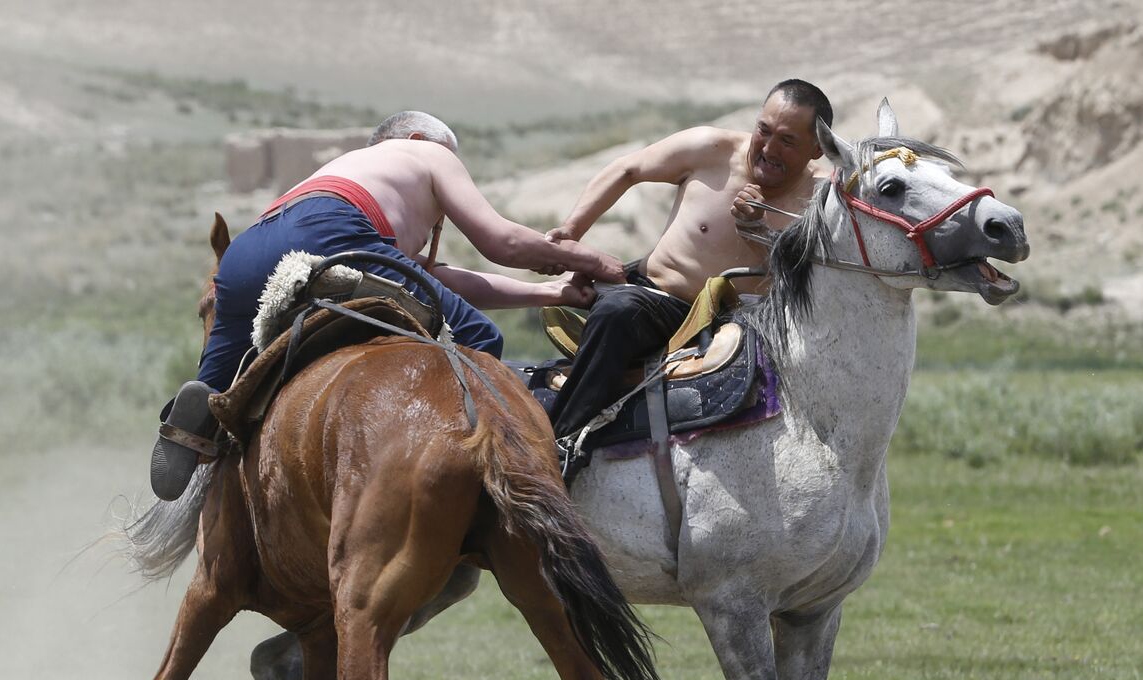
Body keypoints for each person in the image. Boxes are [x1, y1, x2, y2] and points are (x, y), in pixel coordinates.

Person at [149, 110, 624, 500]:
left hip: (250, 250)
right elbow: (502, 244)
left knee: (225, 382)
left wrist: (554, 292)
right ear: (419, 136)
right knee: (481, 339)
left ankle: (194, 420)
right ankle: (471, 478)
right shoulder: (426, 152)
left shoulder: (352, 170)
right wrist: (594, 260)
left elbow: (433, 279)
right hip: (332, 233)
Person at [544, 80, 835, 439]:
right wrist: (571, 231)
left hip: (745, 327)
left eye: (787, 141)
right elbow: (627, 170)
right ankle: (560, 444)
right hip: (655, 300)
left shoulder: (825, 199)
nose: (769, 149)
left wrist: (759, 232)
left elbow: (809, 278)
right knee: (618, 312)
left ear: (817, 149)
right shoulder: (711, 148)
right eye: (764, 130)